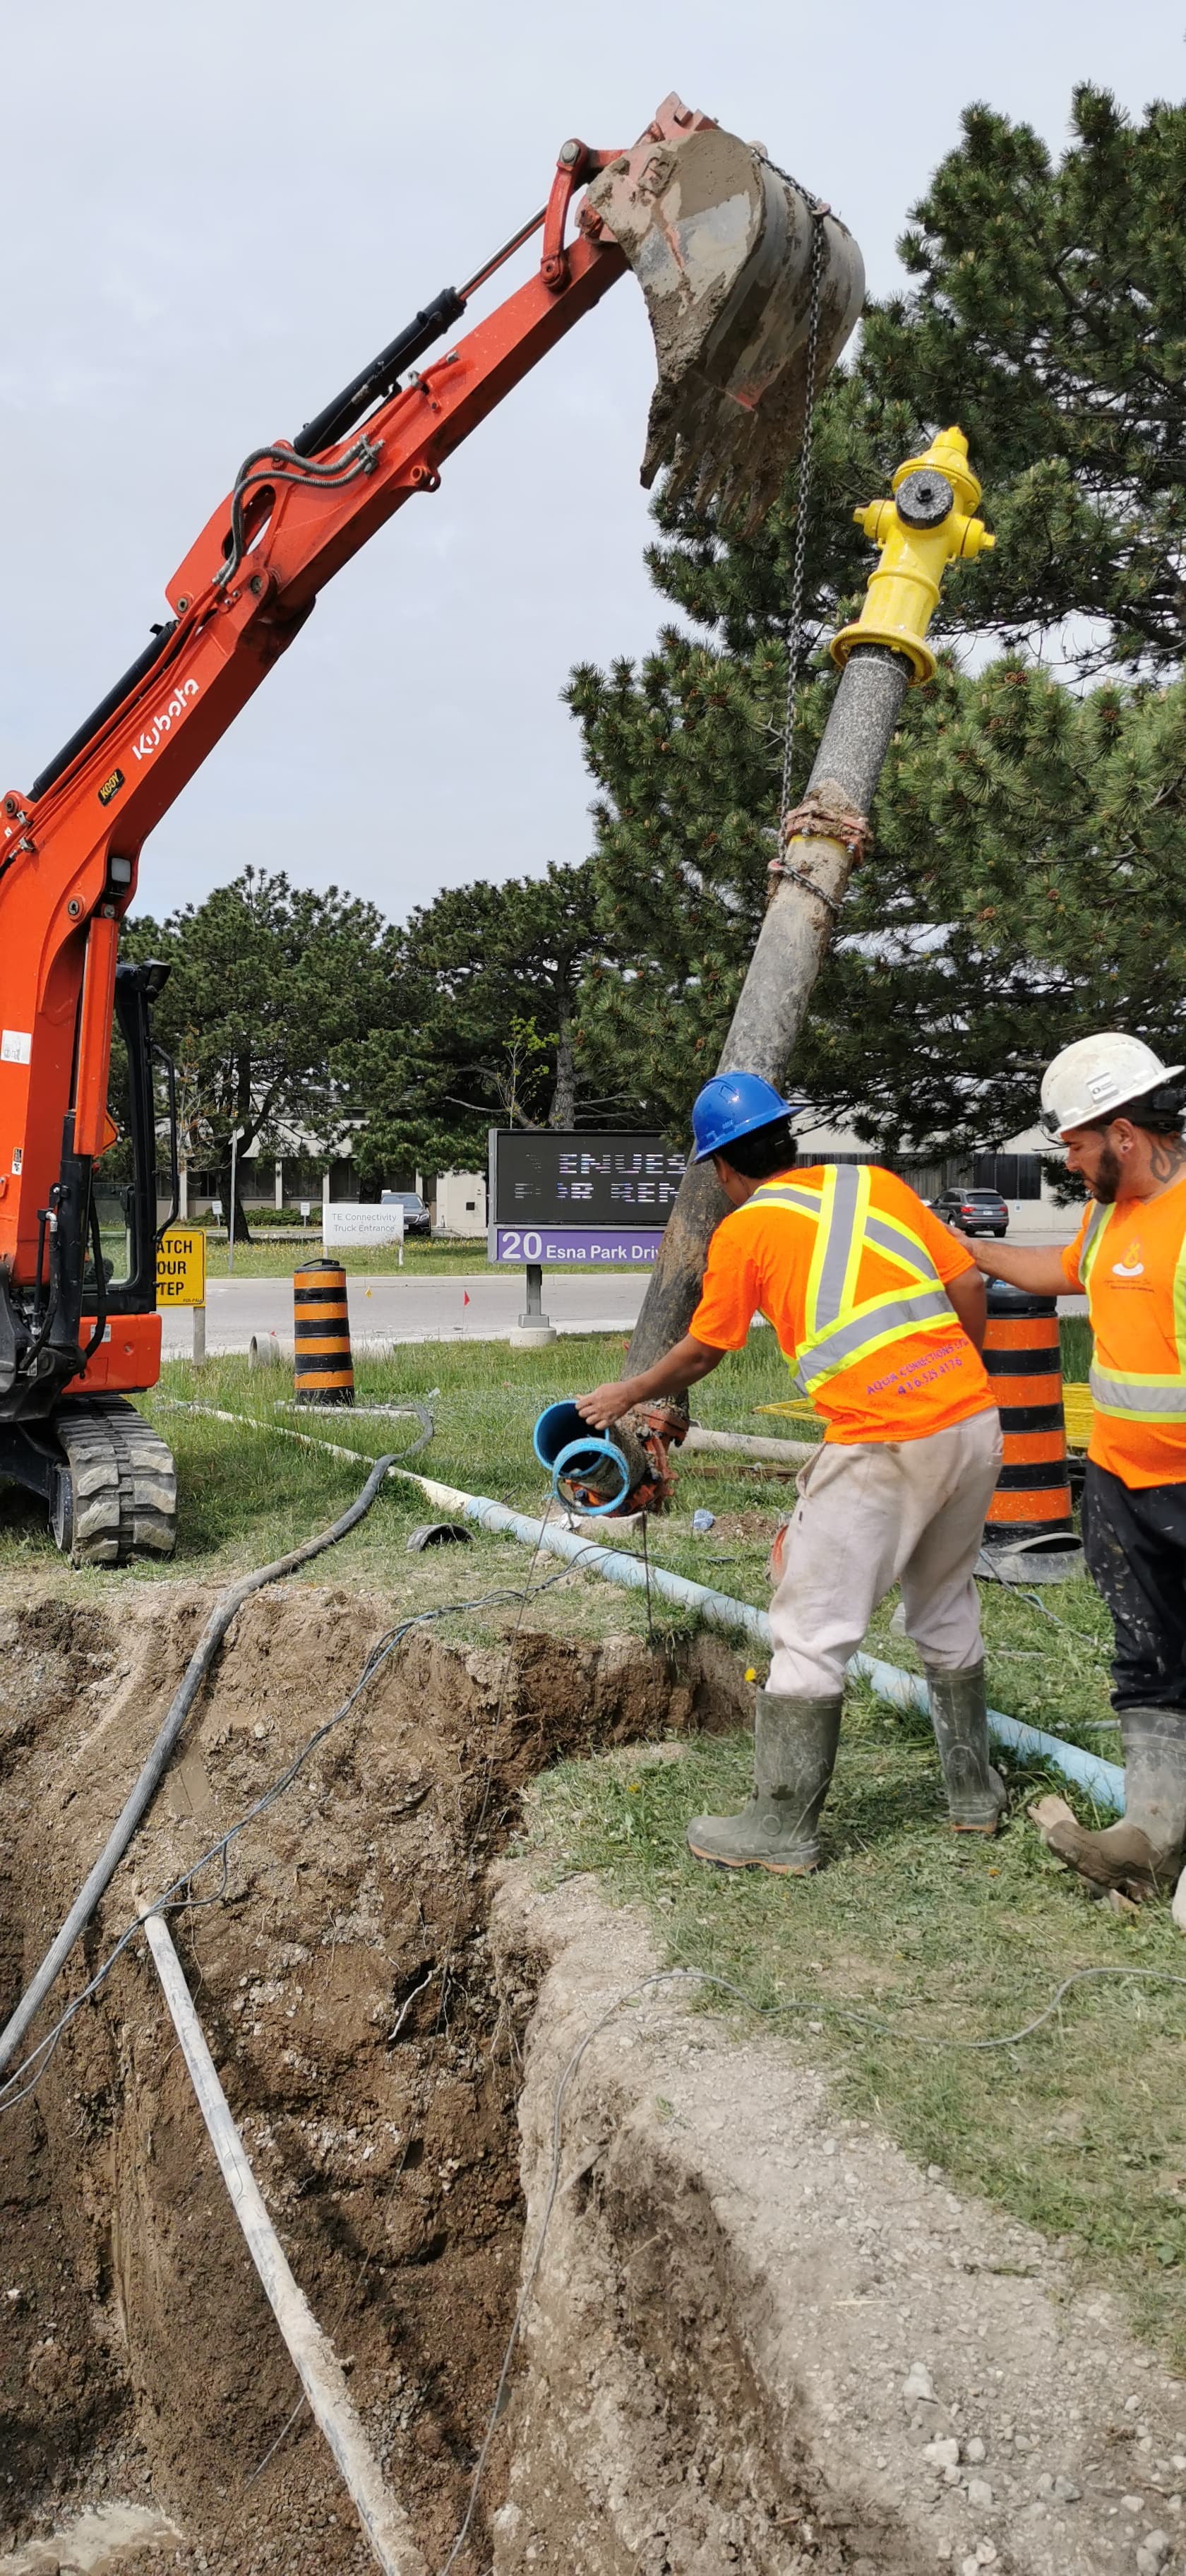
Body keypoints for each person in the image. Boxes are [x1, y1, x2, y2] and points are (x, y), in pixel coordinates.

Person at [576, 1073, 1004, 1876]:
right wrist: (956, 1384)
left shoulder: (742, 1233)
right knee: (945, 1602)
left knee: (811, 1630)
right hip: (972, 1424)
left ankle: (782, 1827)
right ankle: (973, 1794)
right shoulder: (878, 1184)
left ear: (720, 1168)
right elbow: (969, 1282)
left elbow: (706, 1350)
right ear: (786, 1140)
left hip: (881, 1444)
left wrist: (628, 1392)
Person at [950, 1033, 1186, 1902]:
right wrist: (965, 1252)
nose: (1072, 1164)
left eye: (1078, 1147)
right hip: (1124, 1484)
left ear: (1123, 1133)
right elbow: (1061, 1271)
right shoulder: (1114, 1214)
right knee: (1148, 1662)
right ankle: (1154, 1839)